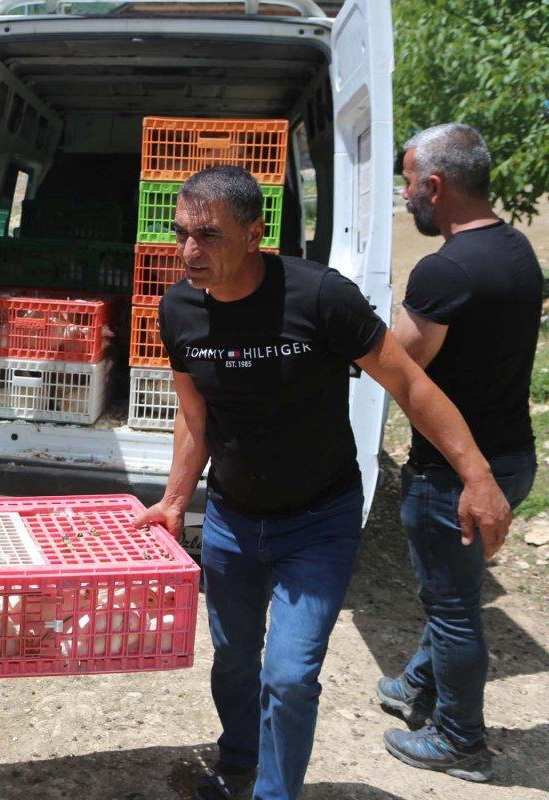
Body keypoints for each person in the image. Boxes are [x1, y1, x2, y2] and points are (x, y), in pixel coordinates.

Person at [133, 166, 511, 800]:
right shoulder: (179, 309)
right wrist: (175, 501)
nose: (189, 251)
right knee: (233, 660)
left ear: (254, 234)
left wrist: (478, 475)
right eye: (181, 233)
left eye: (209, 235)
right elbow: (194, 415)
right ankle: (238, 761)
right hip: (230, 521)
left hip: (318, 522)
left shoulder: (319, 296)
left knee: (288, 676)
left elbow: (409, 383)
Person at [375, 124, 541, 782]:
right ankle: (418, 688)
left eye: (408, 182)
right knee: (456, 590)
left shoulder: (444, 270)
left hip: (456, 475)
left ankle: (459, 740)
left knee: (452, 607)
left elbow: (400, 366)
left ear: (436, 186)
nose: (405, 195)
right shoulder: (516, 249)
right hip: (513, 459)